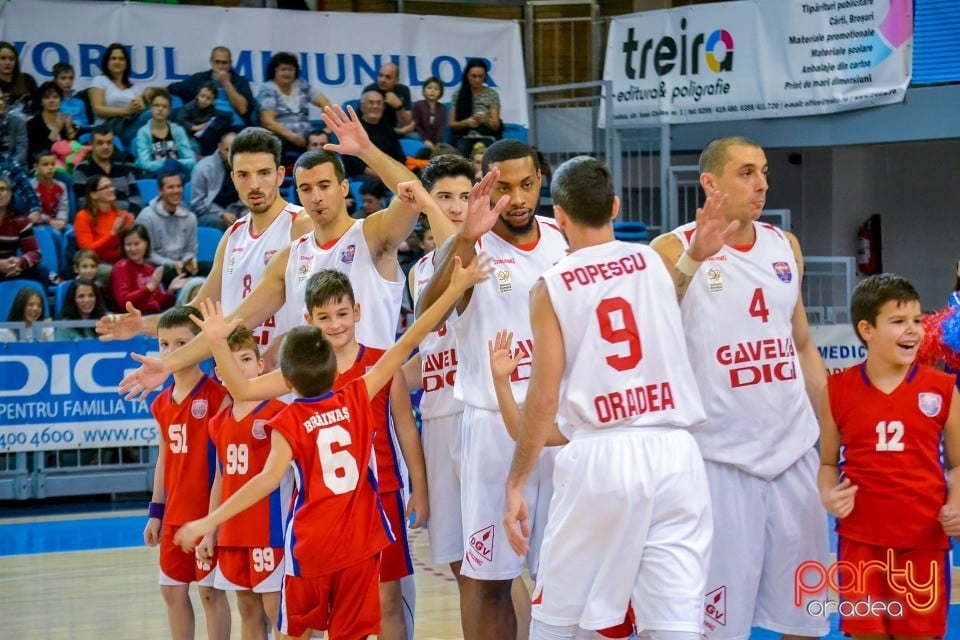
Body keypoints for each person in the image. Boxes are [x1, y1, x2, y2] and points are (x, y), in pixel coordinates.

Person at [171, 250, 487, 640]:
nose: (335, 325)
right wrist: (456, 286)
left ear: (288, 378)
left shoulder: (290, 417)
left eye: (341, 314)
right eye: (325, 318)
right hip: (359, 525)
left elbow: (260, 461)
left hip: (329, 530)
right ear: (312, 324)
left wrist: (209, 519)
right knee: (348, 626)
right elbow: (414, 337)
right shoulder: (359, 391)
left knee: (311, 626)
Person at [495, 156, 712, 640]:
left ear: (561, 216)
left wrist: (516, 483)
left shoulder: (551, 285)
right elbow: (671, 289)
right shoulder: (654, 262)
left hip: (602, 453)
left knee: (558, 620)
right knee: (676, 626)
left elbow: (544, 397)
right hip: (676, 453)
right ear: (615, 206)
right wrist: (697, 256)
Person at [649, 136, 829, 640]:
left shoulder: (785, 246)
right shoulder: (667, 249)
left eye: (764, 171)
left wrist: (833, 433)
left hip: (793, 454)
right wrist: (695, 260)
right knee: (717, 626)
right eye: (747, 172)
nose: (762, 183)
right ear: (710, 183)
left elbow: (803, 345)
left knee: (806, 616)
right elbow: (654, 325)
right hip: (718, 461)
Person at [416, 140, 568, 640]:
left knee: (564, 576)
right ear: (486, 186)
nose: (518, 198)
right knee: (491, 582)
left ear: (542, 180)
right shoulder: (468, 245)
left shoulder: (560, 237)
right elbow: (426, 313)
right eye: (504, 188)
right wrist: (463, 240)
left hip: (561, 428)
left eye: (528, 185)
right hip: (489, 428)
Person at [818, 273, 960, 640]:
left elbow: (957, 465)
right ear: (867, 329)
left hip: (924, 540)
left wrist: (957, 503)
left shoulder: (942, 389)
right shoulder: (836, 389)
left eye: (917, 320)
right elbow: (828, 463)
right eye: (898, 322)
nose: (912, 330)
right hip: (860, 540)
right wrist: (828, 495)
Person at [96, 126, 313, 350]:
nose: (254, 184)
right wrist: (142, 324)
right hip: (235, 373)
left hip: (287, 375)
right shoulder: (232, 236)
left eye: (264, 173)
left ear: (279, 175)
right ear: (233, 178)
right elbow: (198, 310)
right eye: (244, 175)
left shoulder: (301, 224)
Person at [403, 154, 477, 635]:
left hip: (482, 416)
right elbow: (422, 358)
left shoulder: (494, 256)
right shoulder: (418, 274)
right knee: (457, 563)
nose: (454, 208)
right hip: (437, 419)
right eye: (443, 197)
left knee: (494, 564)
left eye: (464, 197)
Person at [142, 306, 231, 640]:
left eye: (181, 343)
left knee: (210, 593)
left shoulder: (218, 396)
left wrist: (215, 520)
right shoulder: (160, 403)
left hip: (207, 515)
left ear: (200, 346)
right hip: (175, 516)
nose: (170, 352)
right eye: (164, 344)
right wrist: (155, 513)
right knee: (172, 592)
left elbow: (223, 465)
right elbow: (164, 457)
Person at [203, 325, 289, 640]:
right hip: (233, 533)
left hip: (270, 531)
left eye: (246, 359)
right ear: (219, 373)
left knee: (276, 609)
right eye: (231, 362)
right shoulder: (217, 424)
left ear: (261, 364)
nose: (240, 369)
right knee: (247, 609)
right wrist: (210, 531)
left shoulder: (280, 413)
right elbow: (220, 479)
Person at [168, 46, 257, 146]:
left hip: (234, 125)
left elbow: (242, 109)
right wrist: (152, 92)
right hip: (209, 125)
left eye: (224, 63)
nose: (221, 66)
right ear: (211, 62)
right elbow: (174, 88)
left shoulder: (240, 81)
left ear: (230, 64)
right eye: (217, 62)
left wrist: (226, 83)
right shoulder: (200, 79)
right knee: (208, 134)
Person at [257, 52, 330, 155]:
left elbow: (325, 102)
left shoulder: (301, 85)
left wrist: (327, 129)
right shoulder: (268, 89)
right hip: (281, 136)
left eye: (290, 69)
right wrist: (292, 136)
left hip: (306, 136)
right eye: (283, 69)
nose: (287, 73)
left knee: (320, 141)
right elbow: (268, 122)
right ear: (274, 71)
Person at [88, 43, 159, 147]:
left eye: (121, 59)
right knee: (152, 114)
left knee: (160, 109)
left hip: (131, 125)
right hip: (108, 130)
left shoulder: (134, 86)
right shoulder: (99, 81)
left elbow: (141, 107)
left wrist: (137, 106)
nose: (117, 61)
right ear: (107, 62)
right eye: (113, 58)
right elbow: (98, 109)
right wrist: (124, 111)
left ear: (126, 63)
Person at [137, 173, 201, 282]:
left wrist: (189, 261)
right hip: (156, 267)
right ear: (160, 191)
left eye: (178, 186)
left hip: (180, 265)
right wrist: (172, 264)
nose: (176, 191)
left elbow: (190, 250)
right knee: (168, 274)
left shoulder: (190, 217)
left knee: (213, 269)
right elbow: (146, 254)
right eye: (170, 187)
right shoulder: (146, 217)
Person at [110, 224, 187, 314]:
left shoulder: (149, 269)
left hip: (154, 317)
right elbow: (124, 302)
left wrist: (170, 291)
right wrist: (149, 287)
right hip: (133, 320)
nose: (133, 248)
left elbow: (160, 303)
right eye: (128, 244)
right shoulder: (121, 268)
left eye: (137, 243)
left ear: (146, 244)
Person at [72, 125, 142, 213]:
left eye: (109, 142)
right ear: (91, 144)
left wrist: (126, 218)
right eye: (100, 143)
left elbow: (137, 200)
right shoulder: (82, 170)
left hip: (126, 220)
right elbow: (84, 203)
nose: (105, 147)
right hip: (98, 221)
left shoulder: (124, 169)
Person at [134, 89, 197, 184]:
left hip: (177, 174)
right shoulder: (143, 132)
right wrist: (168, 163)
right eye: (157, 105)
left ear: (169, 111)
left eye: (164, 106)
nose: (160, 109)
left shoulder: (178, 130)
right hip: (155, 176)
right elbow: (145, 164)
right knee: (170, 165)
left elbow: (191, 160)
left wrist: (173, 164)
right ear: (150, 108)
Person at [74, 175, 134, 269]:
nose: (111, 189)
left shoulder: (122, 215)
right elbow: (88, 251)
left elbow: (129, 247)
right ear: (94, 194)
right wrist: (112, 233)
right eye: (105, 187)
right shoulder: (83, 216)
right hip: (96, 265)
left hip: (122, 262)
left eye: (111, 186)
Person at [342, 91, 406, 179]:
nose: (375, 106)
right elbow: (351, 160)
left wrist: (395, 171)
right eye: (371, 103)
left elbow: (399, 156)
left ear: (383, 107)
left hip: (389, 174)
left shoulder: (387, 128)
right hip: (363, 176)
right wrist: (379, 175)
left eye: (379, 103)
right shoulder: (353, 129)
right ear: (362, 107)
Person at [0, 173, 48, 286]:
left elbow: (35, 253)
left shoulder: (20, 219)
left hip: (10, 268)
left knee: (42, 272)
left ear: (10, 194)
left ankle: (35, 303)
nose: (0, 193)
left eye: (3, 189)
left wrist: (20, 262)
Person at [190, 131, 244, 231]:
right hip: (208, 214)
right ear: (219, 147)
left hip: (236, 211)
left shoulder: (246, 168)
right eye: (226, 150)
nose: (230, 156)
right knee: (222, 223)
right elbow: (197, 204)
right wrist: (222, 214)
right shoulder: (203, 168)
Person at [449, 59, 501, 157]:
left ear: (485, 77)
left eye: (481, 76)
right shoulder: (458, 95)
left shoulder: (491, 94)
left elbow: (496, 125)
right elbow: (452, 125)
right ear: (467, 76)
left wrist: (484, 120)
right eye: (474, 76)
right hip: (464, 136)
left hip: (486, 136)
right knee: (462, 149)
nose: (477, 80)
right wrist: (466, 123)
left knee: (483, 150)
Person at [26, 82, 77, 164]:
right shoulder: (33, 124)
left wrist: (69, 129)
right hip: (44, 167)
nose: (51, 100)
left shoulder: (65, 121)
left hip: (66, 164)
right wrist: (56, 131)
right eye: (47, 97)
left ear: (61, 100)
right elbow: (36, 153)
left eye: (55, 97)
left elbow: (76, 149)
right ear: (41, 101)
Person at [362, 62, 413, 134]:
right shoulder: (370, 91)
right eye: (381, 75)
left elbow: (406, 123)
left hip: (393, 131)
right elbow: (364, 124)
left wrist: (398, 107)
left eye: (388, 77)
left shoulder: (403, 90)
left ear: (397, 81)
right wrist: (398, 131)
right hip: (373, 132)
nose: (383, 80)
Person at [175, 82, 219, 155]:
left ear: (213, 101)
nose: (204, 100)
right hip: (184, 134)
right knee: (194, 147)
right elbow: (181, 122)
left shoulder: (212, 111)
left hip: (201, 136)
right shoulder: (187, 108)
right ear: (197, 95)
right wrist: (195, 127)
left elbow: (212, 123)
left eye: (208, 98)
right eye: (202, 96)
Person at [30, 150, 69, 231]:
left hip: (58, 223)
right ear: (36, 167)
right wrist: (50, 221)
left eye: (53, 164)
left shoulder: (61, 186)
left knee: (71, 231)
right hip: (39, 225)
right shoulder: (31, 187)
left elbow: (63, 208)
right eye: (45, 164)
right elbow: (32, 212)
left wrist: (61, 221)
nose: (50, 168)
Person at [0, 42, 38, 118]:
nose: (8, 62)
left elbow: (39, 106)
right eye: (3, 58)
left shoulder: (27, 80)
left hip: (30, 125)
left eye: (11, 59)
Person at [411, 77, 447, 150]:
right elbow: (416, 126)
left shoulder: (442, 108)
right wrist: (425, 140)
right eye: (429, 88)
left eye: (436, 89)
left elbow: (441, 128)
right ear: (424, 91)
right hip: (419, 136)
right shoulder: (418, 105)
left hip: (435, 140)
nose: (432, 91)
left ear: (441, 92)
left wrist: (437, 143)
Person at [53, 62, 90, 133]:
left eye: (71, 78)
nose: (67, 81)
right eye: (63, 78)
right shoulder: (53, 102)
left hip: (78, 138)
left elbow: (86, 125)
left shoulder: (80, 103)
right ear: (55, 80)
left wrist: (76, 126)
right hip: (60, 137)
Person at [0, 85, 28, 166]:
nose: (1, 103)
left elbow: (21, 154)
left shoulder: (17, 122)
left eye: (1, 99)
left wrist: (6, 168)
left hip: (16, 170)